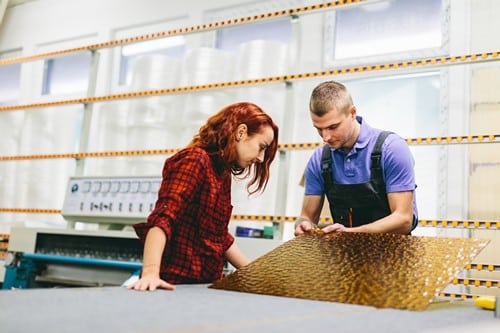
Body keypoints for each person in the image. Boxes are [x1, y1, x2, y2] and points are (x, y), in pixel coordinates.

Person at [128, 102, 279, 291]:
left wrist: (256, 277)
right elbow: (163, 218)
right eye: (261, 147)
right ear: (241, 132)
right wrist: (151, 273)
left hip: (203, 286)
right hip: (174, 285)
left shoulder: (222, 174)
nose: (261, 158)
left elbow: (219, 237)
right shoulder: (195, 161)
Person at [295, 80, 418, 236]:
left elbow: (403, 220)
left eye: (333, 127)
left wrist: (349, 234)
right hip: (343, 255)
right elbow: (307, 217)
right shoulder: (319, 160)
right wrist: (303, 225)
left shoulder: (392, 149)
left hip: (394, 255)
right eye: (319, 129)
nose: (325, 137)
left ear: (352, 113)